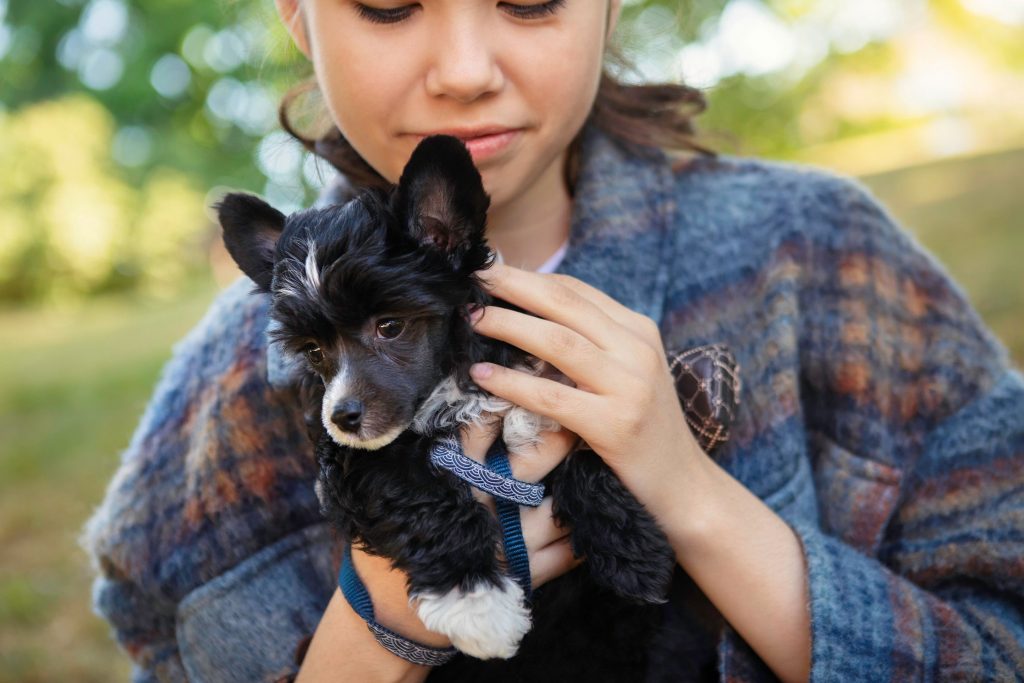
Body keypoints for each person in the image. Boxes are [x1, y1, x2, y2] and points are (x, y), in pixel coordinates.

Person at [80, 1, 1024, 682]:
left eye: (529, 1)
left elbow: (1000, 640)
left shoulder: (824, 254)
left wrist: (691, 494)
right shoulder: (222, 396)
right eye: (388, 5)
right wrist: (381, 624)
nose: (462, 67)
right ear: (296, 13)